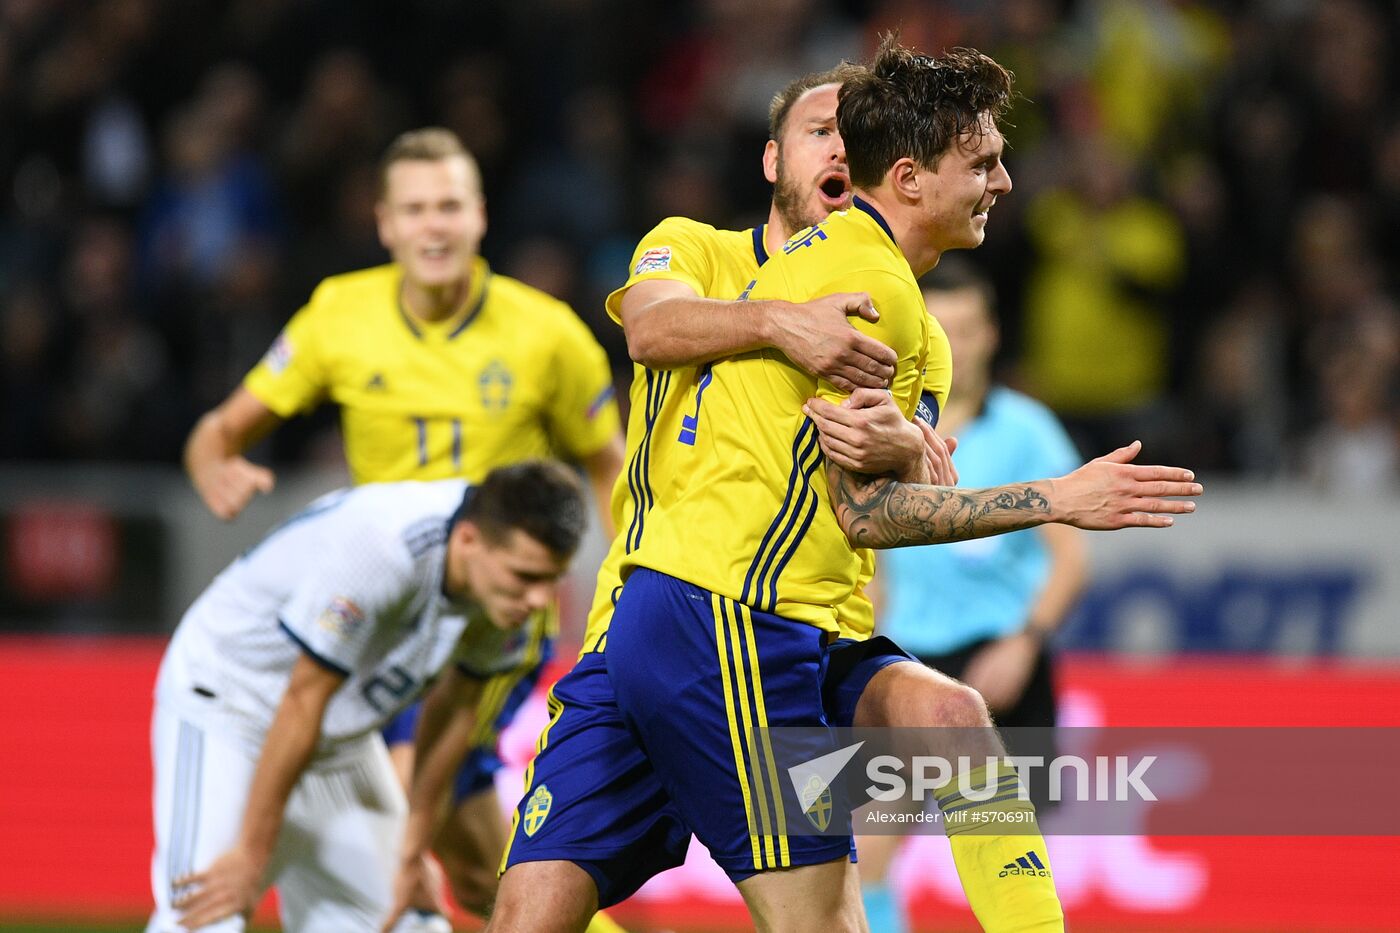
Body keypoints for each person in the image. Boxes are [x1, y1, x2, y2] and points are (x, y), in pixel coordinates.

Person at [490, 40, 1201, 933]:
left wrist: (901, 443)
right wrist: (1057, 497)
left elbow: (891, 472)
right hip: (716, 616)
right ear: (783, 159)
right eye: (819, 130)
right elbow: (660, 334)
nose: (1006, 183)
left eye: (846, 129)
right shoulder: (730, 259)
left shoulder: (893, 306)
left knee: (953, 715)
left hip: (786, 620)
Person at [182, 127, 625, 921]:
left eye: (450, 206)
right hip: (386, 613)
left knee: (406, 816)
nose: (435, 226)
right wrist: (215, 463)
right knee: (483, 870)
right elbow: (220, 429)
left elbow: (611, 467)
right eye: (416, 209)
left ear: (480, 216)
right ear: (384, 223)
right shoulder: (337, 315)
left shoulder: (548, 334)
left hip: (487, 624)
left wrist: (625, 581)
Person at [147, 461, 587, 933]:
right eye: (526, 576)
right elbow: (302, 698)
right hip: (230, 706)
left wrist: (413, 849)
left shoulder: (501, 592)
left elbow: (456, 712)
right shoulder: (387, 547)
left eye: (551, 579)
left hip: (337, 736)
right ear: (468, 540)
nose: (540, 599)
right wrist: (252, 855)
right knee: (206, 917)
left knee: (410, 921)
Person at [855, 260, 1089, 933]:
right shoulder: (888, 426)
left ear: (991, 333)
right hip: (905, 659)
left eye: (967, 326)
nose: (954, 343)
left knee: (1010, 859)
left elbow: (1069, 561)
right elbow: (870, 554)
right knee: (868, 849)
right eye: (940, 328)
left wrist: (1024, 642)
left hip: (999, 663)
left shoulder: (1027, 429)